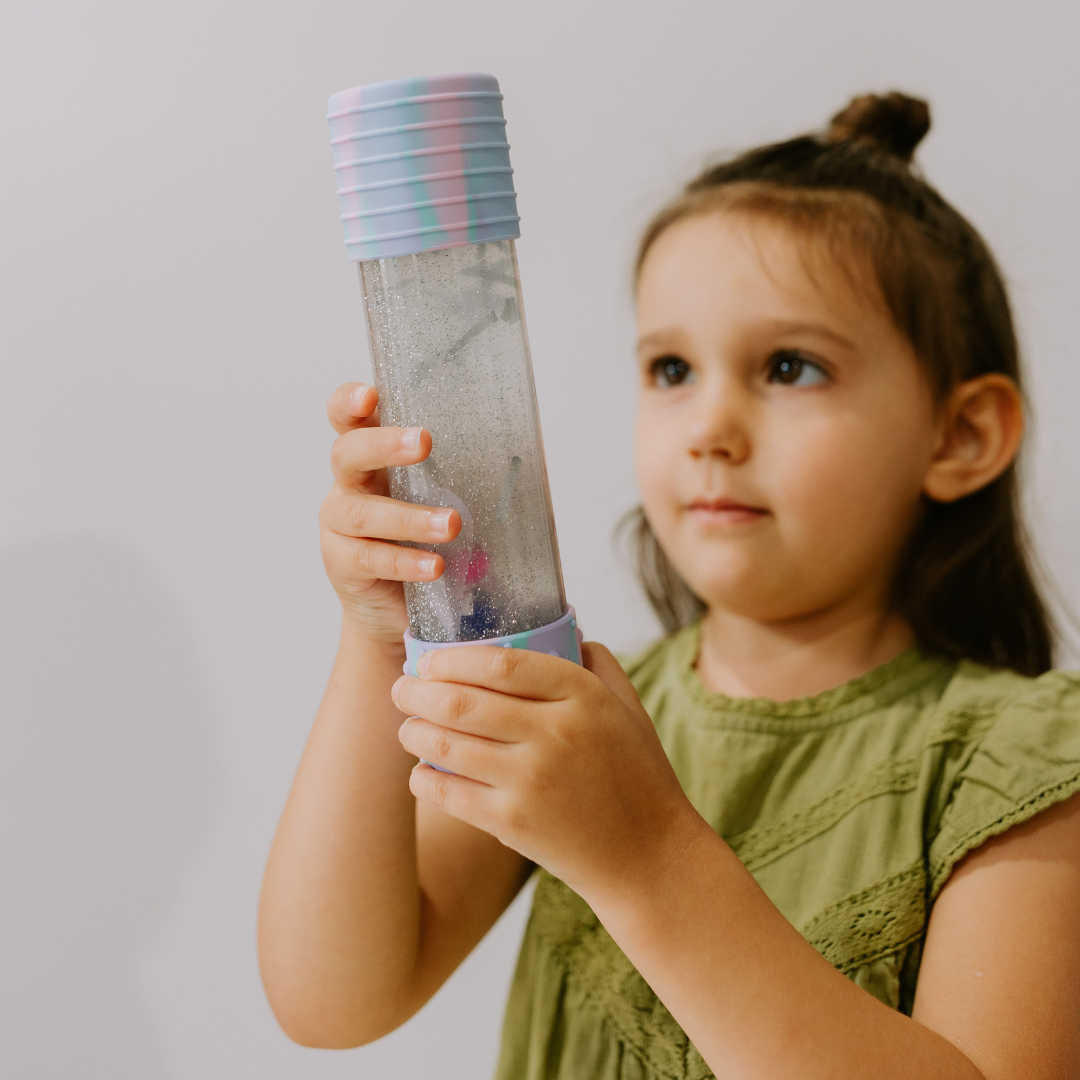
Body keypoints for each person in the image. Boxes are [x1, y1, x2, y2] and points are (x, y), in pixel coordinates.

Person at [258, 92, 1080, 1079]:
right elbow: (334, 999)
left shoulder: (1025, 766)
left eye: (790, 366)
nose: (710, 427)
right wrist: (373, 640)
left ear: (961, 436)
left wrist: (647, 857)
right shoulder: (584, 713)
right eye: (673, 368)